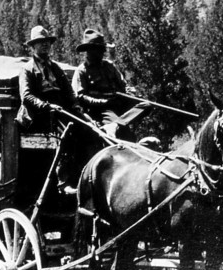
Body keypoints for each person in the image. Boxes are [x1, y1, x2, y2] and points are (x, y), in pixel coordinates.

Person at [17, 25, 86, 194]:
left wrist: (75, 104)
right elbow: (26, 96)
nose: (45, 46)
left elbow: (68, 90)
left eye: (46, 42)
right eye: (40, 43)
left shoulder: (55, 67)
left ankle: (85, 175)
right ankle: (63, 181)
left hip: (60, 109)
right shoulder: (27, 70)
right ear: (32, 47)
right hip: (40, 115)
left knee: (88, 128)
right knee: (67, 133)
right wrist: (46, 106)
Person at [71, 28, 150, 140]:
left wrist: (130, 92)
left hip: (118, 103)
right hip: (101, 110)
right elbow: (80, 97)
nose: (103, 52)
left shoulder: (109, 66)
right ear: (90, 50)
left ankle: (117, 123)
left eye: (103, 49)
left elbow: (123, 85)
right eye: (99, 49)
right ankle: (118, 124)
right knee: (124, 132)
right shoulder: (82, 71)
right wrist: (103, 102)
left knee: (146, 105)